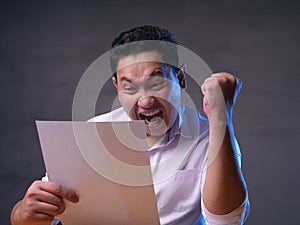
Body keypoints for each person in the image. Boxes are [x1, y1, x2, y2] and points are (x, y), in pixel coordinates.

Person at [10, 25, 250, 225]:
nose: (145, 100)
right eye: (130, 88)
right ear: (117, 87)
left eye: (156, 84)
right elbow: (34, 216)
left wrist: (221, 117)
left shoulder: (211, 138)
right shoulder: (93, 134)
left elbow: (227, 221)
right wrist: (23, 214)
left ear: (179, 79)